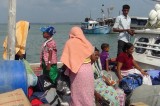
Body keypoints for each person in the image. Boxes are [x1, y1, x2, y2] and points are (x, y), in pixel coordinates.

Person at [60, 26, 94, 106]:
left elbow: (66, 61)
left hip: (78, 72)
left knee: (77, 94)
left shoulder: (70, 42)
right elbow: (93, 58)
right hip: (88, 70)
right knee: (88, 93)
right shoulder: (86, 42)